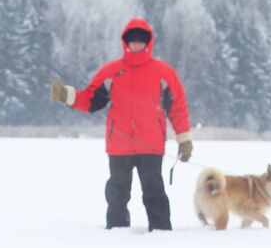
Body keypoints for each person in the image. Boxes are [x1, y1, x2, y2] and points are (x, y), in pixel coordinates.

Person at [50, 18, 193, 232]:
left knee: (154, 192)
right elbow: (90, 100)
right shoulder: (111, 71)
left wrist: (184, 139)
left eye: (141, 40)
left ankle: (162, 232)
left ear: (148, 43)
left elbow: (177, 108)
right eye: (132, 40)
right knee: (117, 193)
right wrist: (66, 96)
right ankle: (116, 231)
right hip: (119, 145)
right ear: (126, 42)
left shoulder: (163, 73)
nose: (136, 44)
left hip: (151, 145)